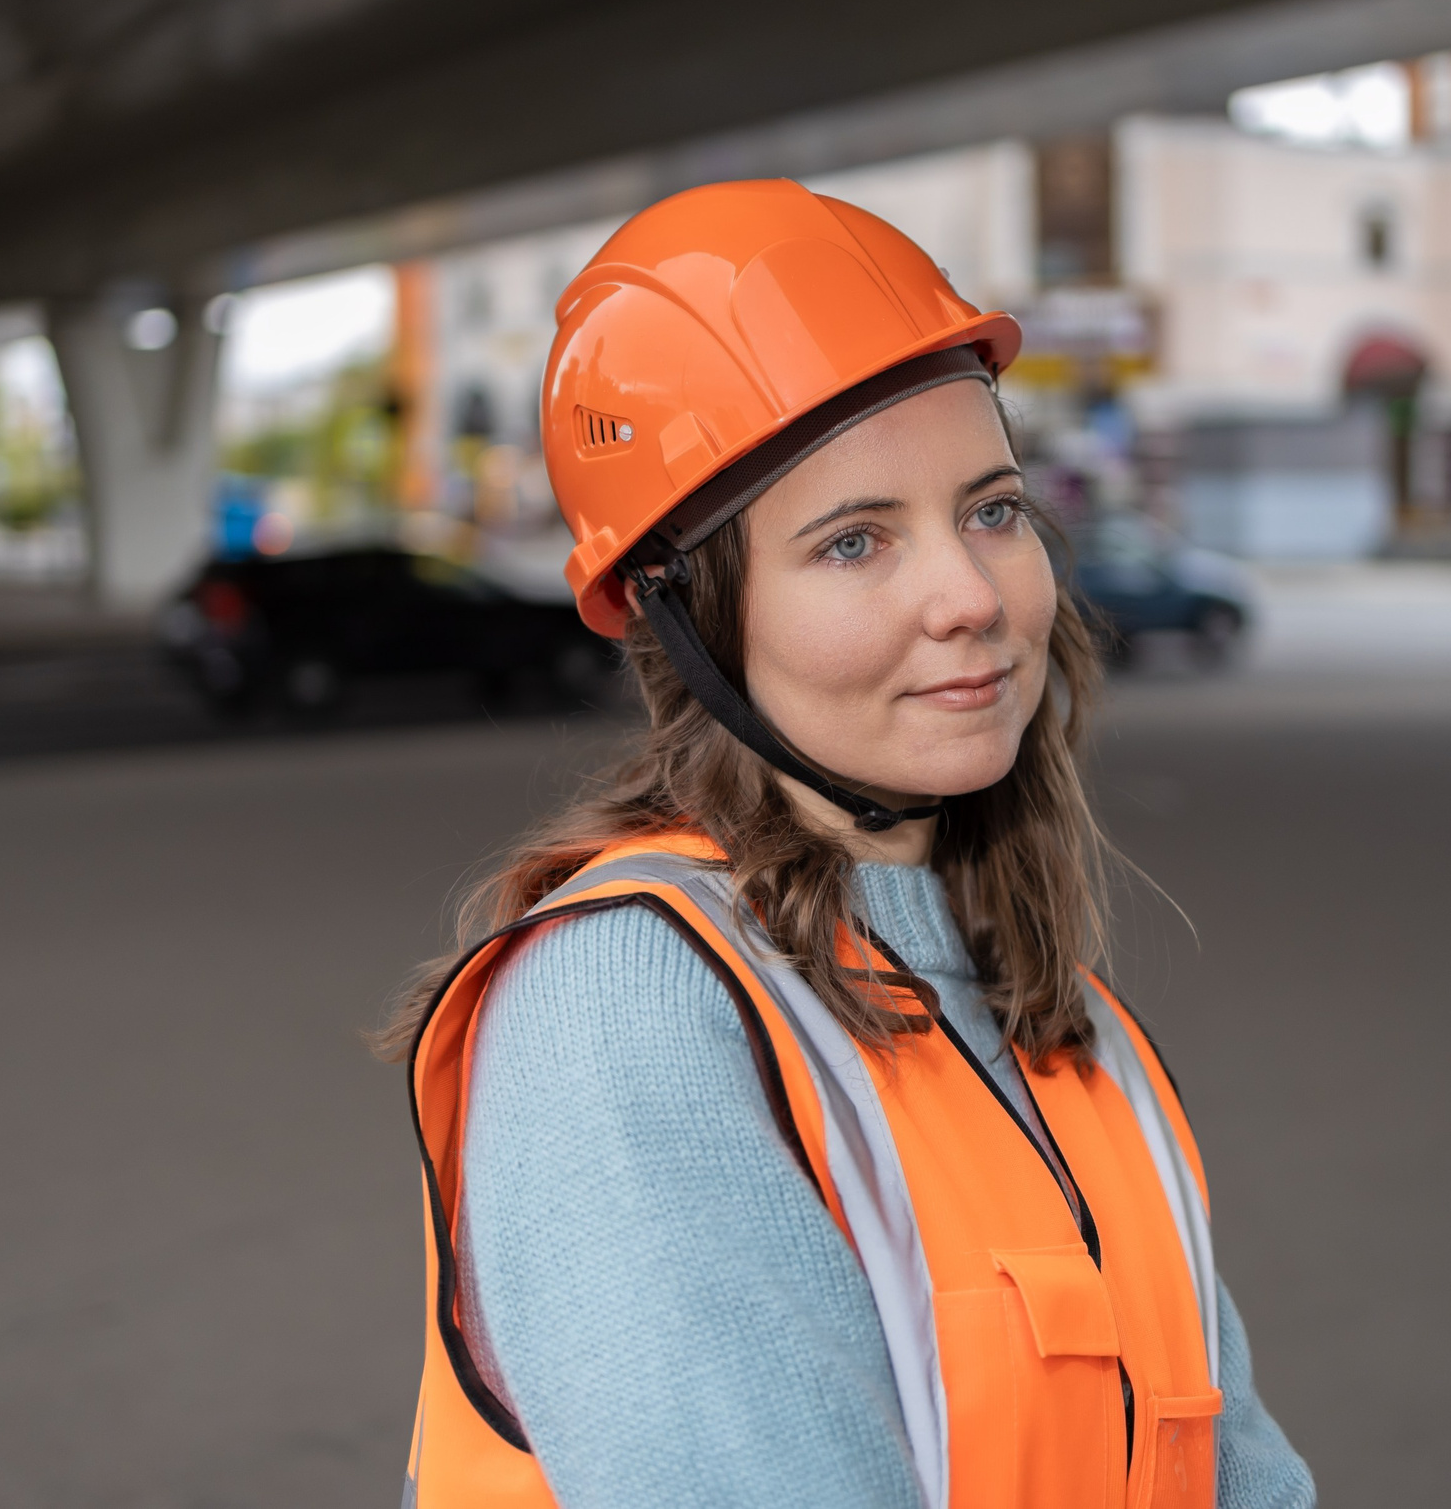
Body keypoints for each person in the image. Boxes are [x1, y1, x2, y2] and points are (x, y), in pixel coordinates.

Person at [379, 180, 1313, 1509]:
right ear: (690, 617)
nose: (972, 598)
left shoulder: (1064, 1022)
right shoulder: (629, 1011)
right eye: (857, 542)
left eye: (992, 511)